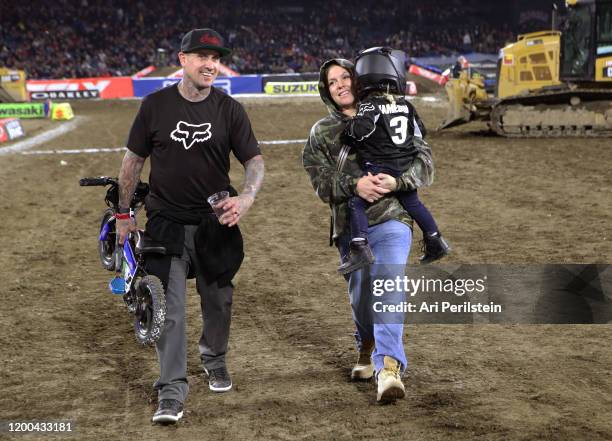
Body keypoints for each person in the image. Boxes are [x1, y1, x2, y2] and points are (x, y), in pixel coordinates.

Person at [116, 28, 264, 424]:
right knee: (171, 309)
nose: (211, 64)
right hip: (165, 222)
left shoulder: (229, 109)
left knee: (218, 299)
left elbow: (254, 160)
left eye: (216, 58)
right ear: (182, 59)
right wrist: (124, 214)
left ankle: (214, 359)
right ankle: (171, 390)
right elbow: (132, 161)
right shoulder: (154, 106)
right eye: (202, 56)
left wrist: (246, 198)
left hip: (216, 223)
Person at [302, 58, 434, 403]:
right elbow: (321, 184)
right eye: (332, 82)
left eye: (346, 76)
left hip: (393, 218)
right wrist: (354, 184)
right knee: (362, 298)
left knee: (389, 283)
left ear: (359, 79)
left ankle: (389, 368)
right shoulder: (321, 134)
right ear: (326, 91)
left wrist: (398, 180)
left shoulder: (396, 113)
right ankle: (366, 344)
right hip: (350, 226)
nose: (341, 85)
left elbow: (425, 161)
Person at [338, 47, 450, 275]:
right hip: (404, 166)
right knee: (413, 203)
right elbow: (421, 132)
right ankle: (435, 240)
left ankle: (360, 247)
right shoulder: (407, 106)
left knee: (356, 203)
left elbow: (362, 129)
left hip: (380, 167)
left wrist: (347, 131)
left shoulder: (370, 104)